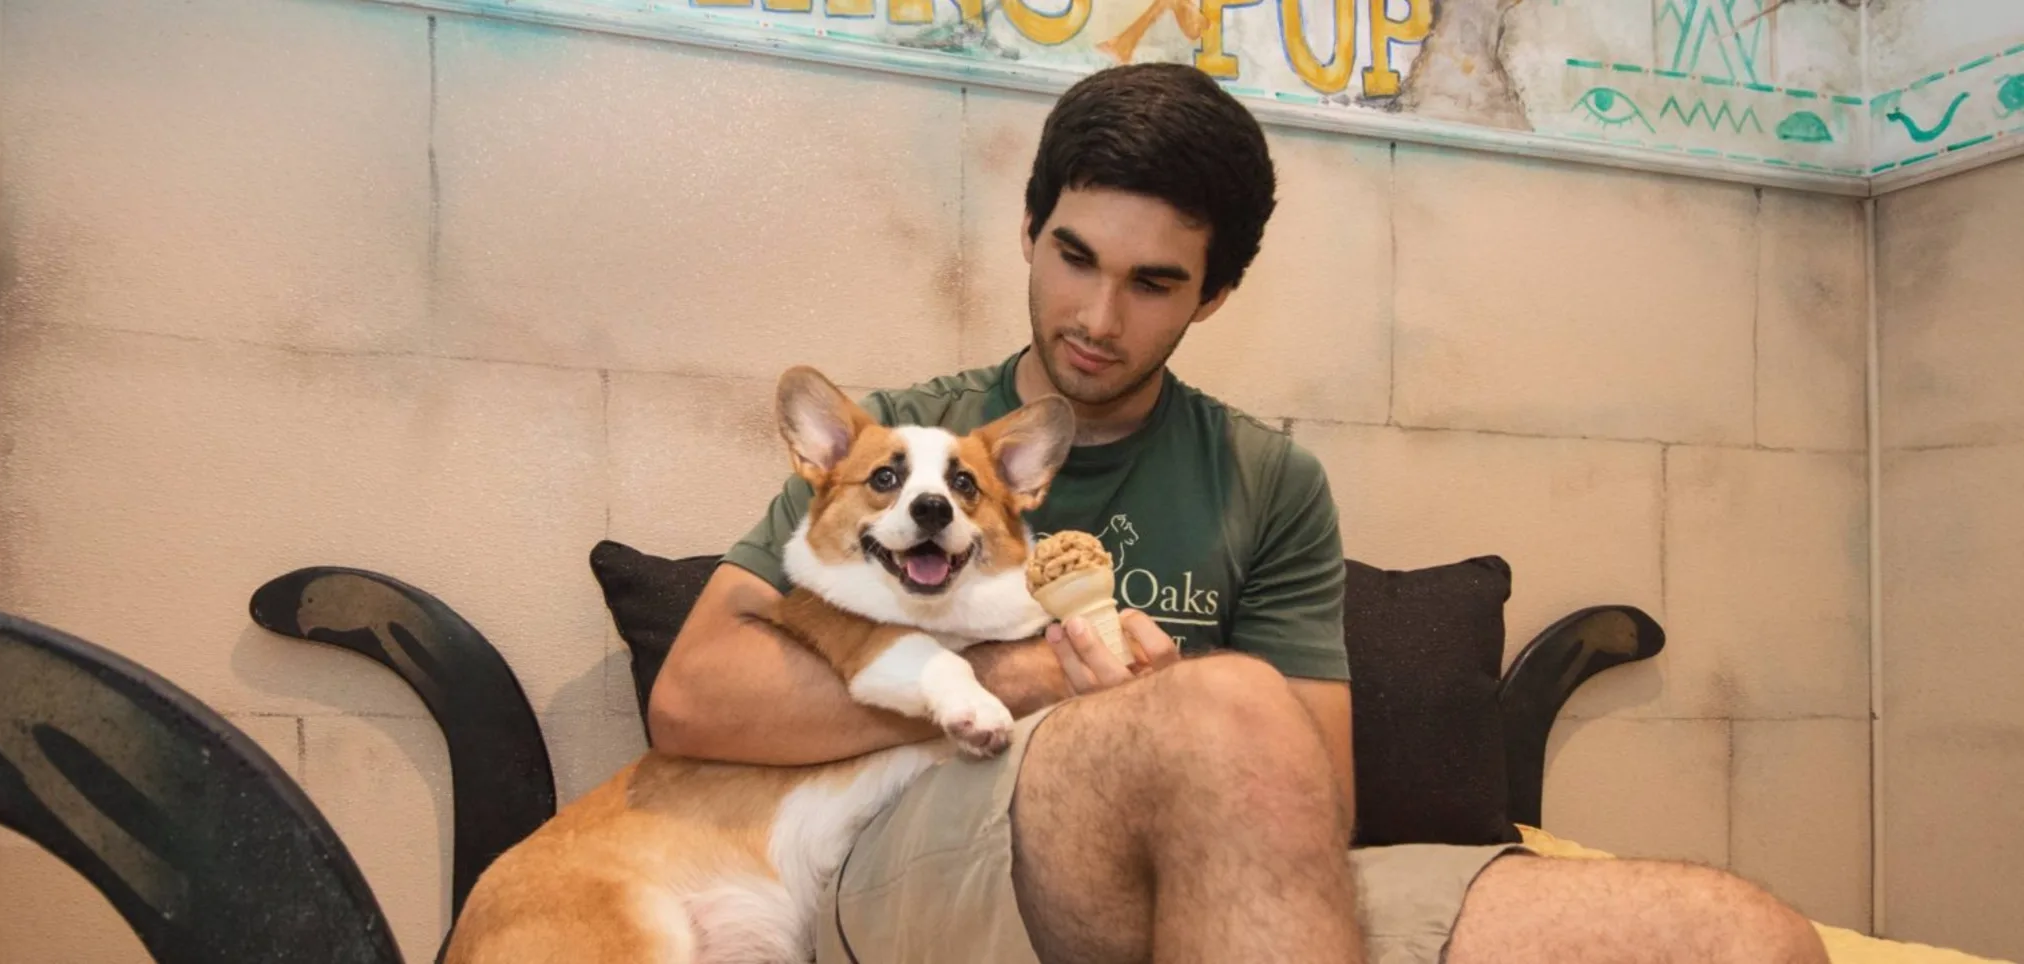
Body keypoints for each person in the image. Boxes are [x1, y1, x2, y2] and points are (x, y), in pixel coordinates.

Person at [647, 62, 1827, 964]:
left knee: (1734, 933)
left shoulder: (1266, 478)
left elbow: (1319, 793)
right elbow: (693, 698)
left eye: (1153, 282)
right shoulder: (897, 446)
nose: (1095, 315)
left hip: (1245, 880)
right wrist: (1039, 676)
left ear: (1213, 296)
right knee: (1216, 702)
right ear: (1028, 228)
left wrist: (1195, 735)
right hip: (935, 861)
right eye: (1072, 256)